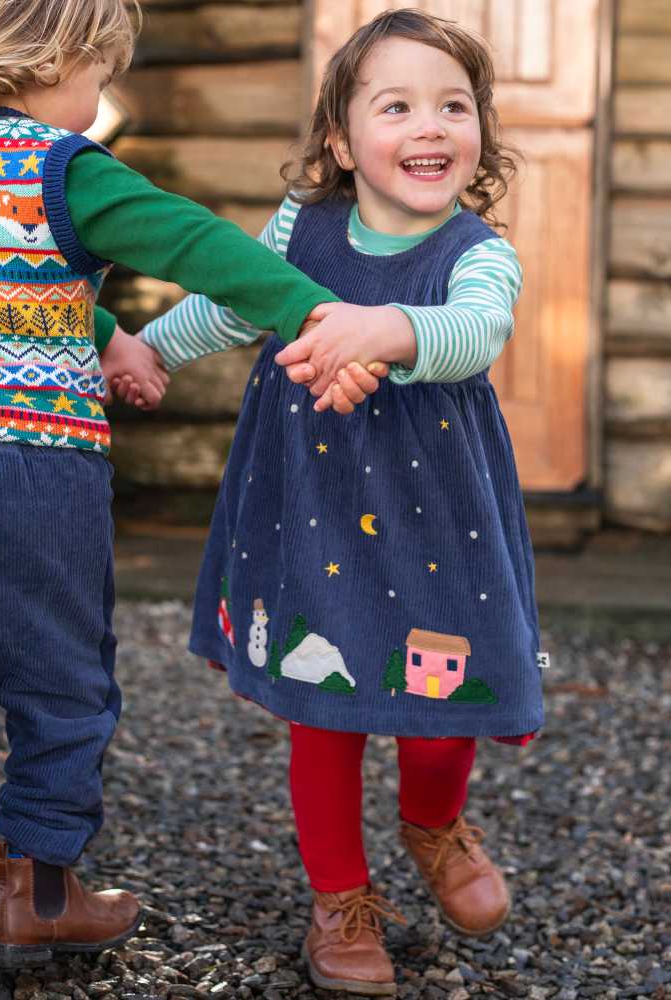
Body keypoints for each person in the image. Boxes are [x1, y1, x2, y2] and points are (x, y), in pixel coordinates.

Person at [0, 0, 364, 995]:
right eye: (99, 74)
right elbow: (205, 249)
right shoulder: (64, 169)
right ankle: (36, 896)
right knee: (59, 686)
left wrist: (103, 329)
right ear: (56, 55)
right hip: (28, 474)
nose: (100, 99)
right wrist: (319, 314)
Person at [136, 9, 544, 996]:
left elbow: (475, 333)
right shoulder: (303, 229)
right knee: (326, 708)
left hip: (438, 524)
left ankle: (432, 821)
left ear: (480, 130)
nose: (430, 126)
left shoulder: (476, 253)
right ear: (339, 138)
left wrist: (383, 328)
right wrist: (148, 345)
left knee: (446, 709)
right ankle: (339, 895)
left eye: (454, 105)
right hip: (307, 508)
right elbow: (235, 299)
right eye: (396, 105)